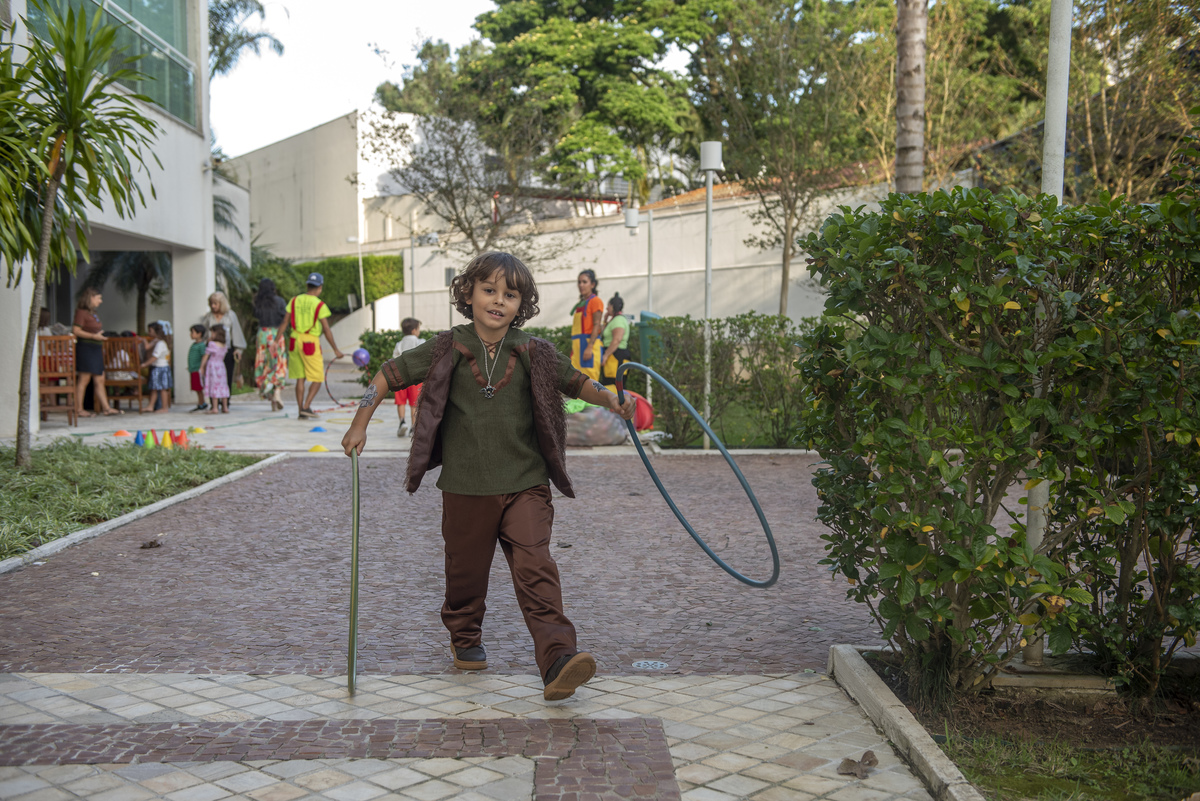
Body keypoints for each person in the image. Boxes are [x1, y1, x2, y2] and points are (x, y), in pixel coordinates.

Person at [341, 251, 636, 702]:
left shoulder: (534, 351)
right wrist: (360, 422)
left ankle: (558, 658)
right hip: (465, 488)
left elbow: (578, 382)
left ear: (522, 304)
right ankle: (465, 637)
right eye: (489, 290)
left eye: (510, 295)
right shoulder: (447, 347)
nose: (499, 300)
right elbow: (387, 375)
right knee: (466, 574)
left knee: (536, 566)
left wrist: (611, 399)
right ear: (469, 293)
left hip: (525, 483)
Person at [278, 272, 344, 419]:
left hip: (294, 340)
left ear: (307, 285)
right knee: (318, 378)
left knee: (300, 378)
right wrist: (335, 349)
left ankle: (300, 410)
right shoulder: (319, 305)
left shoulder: (294, 300)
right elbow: (326, 329)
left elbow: (284, 322)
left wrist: (276, 341)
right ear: (320, 288)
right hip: (310, 342)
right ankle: (306, 407)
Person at [72, 287, 121, 417]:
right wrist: (93, 336)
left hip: (96, 349)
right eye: (98, 298)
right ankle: (79, 409)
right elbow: (76, 330)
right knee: (84, 379)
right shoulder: (81, 312)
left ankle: (106, 408)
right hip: (86, 348)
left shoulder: (92, 313)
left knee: (99, 379)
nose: (100, 301)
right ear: (91, 298)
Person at [252, 278, 289, 411]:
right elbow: (285, 319)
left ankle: (270, 396)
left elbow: (256, 315)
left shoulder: (257, 302)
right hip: (276, 334)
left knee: (264, 363)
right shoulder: (280, 301)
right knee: (278, 363)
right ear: (273, 288)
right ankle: (277, 392)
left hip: (262, 334)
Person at [199, 291, 245, 395]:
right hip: (212, 351)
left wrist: (238, 350)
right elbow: (203, 333)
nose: (213, 306)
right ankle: (214, 400)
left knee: (227, 376)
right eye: (211, 303)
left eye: (215, 303)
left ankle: (225, 400)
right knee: (211, 376)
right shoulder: (209, 316)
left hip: (226, 350)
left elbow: (236, 333)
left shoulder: (230, 315)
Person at [570, 269, 604, 382]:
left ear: (592, 284)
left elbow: (597, 325)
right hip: (577, 348)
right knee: (576, 382)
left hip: (588, 346)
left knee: (590, 382)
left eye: (584, 282)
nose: (581, 285)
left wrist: (589, 347)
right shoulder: (581, 304)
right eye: (579, 282)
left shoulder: (596, 301)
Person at [391, 317, 423, 437]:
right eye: (418, 328)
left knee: (401, 401)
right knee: (414, 403)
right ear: (414, 330)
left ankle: (402, 422)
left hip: (400, 378)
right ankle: (413, 428)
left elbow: (394, 359)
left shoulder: (399, 344)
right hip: (415, 378)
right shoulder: (420, 342)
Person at [599, 292, 632, 387]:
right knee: (608, 385)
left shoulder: (619, 320)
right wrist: (605, 320)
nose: (606, 309)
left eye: (608, 306)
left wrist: (606, 355)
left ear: (613, 306)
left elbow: (617, 340)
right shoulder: (614, 320)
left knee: (613, 386)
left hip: (617, 356)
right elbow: (602, 334)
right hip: (613, 355)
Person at [141, 322, 172, 413]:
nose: (148, 333)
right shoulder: (157, 341)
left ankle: (164, 408)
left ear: (156, 331)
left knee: (162, 389)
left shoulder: (160, 343)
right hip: (157, 367)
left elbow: (155, 357)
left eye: (150, 331)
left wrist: (145, 364)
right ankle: (150, 406)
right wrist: (144, 340)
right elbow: (147, 347)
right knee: (154, 388)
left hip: (160, 368)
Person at [201, 325, 231, 414]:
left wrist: (202, 366)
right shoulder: (224, 345)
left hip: (213, 367)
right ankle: (225, 407)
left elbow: (206, 356)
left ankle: (215, 408)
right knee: (223, 385)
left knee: (214, 385)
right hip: (221, 366)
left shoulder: (212, 344)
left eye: (212, 333)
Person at [187, 324, 209, 411]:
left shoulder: (201, 345)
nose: (191, 334)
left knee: (199, 387)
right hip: (193, 369)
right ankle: (201, 402)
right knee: (196, 387)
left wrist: (202, 367)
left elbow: (204, 356)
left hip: (197, 369)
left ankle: (202, 403)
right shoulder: (194, 345)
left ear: (199, 334)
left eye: (192, 332)